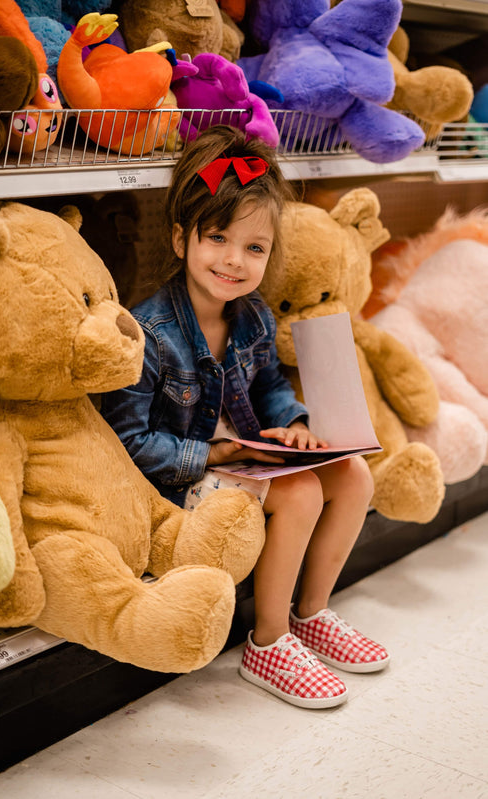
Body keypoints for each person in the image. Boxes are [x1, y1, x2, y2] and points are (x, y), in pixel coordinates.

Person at [101, 125, 389, 709]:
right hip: (178, 479)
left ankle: (311, 614)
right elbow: (128, 445)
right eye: (217, 238)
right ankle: (268, 642)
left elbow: (271, 386)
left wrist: (295, 425)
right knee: (301, 492)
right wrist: (217, 453)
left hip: (243, 458)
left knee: (355, 475)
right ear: (180, 238)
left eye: (255, 248)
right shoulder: (149, 332)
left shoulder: (253, 316)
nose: (234, 260)